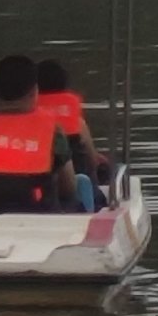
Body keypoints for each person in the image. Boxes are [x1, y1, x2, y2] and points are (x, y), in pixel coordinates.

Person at [0, 54, 78, 226]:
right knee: (76, 199)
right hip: (39, 226)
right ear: (34, 91)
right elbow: (69, 186)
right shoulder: (52, 128)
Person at [35, 57, 105, 209]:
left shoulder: (29, 121)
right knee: (107, 170)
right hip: (73, 183)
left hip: (39, 190)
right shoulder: (77, 122)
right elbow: (92, 160)